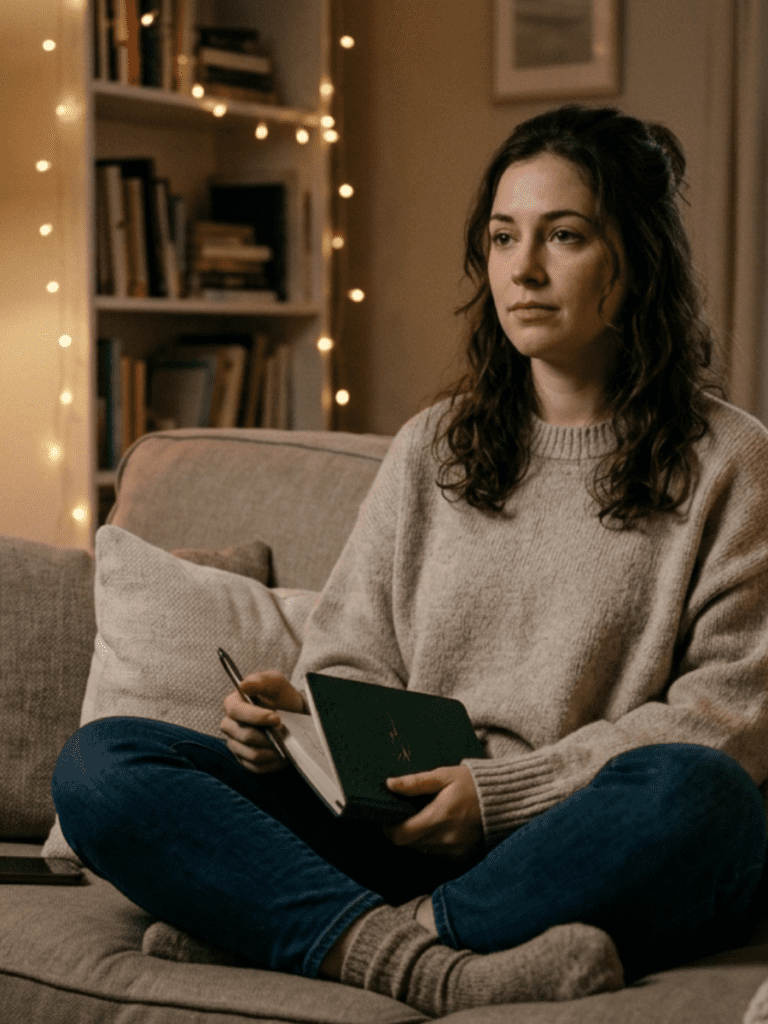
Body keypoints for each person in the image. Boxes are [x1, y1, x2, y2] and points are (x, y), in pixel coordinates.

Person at [52, 105, 768, 1017]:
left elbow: (729, 720)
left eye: (566, 235)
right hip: (391, 824)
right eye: (505, 237)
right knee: (102, 765)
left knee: (702, 796)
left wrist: (498, 793)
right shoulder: (437, 444)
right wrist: (294, 734)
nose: (526, 268)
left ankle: (305, 933)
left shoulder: (730, 461)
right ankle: (428, 960)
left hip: (574, 833)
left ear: (638, 261)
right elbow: (349, 658)